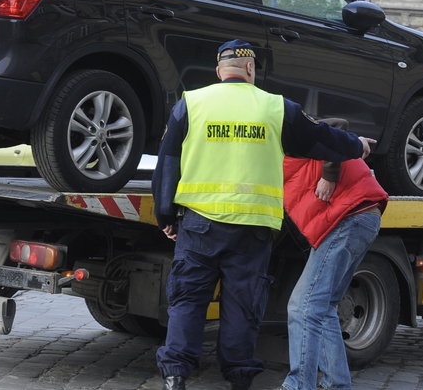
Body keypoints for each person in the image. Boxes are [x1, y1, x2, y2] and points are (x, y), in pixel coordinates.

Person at [151, 39, 375, 390]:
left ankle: (176, 375)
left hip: (199, 225)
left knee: (187, 302)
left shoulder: (191, 104)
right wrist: (356, 146)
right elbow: (322, 139)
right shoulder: (275, 107)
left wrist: (165, 214)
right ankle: (239, 379)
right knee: (242, 307)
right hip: (252, 231)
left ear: (218, 71)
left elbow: (167, 163)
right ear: (251, 70)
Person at [280, 118, 389, 390]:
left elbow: (336, 125)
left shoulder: (282, 127)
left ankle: (298, 386)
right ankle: (338, 384)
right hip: (357, 217)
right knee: (323, 306)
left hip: (348, 217)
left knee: (303, 306)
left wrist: (330, 174)